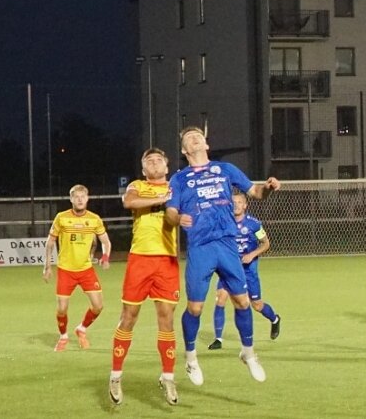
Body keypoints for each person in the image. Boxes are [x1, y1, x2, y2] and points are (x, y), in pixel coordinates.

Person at [165, 126, 280, 386]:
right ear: (184, 150)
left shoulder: (225, 169)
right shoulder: (180, 179)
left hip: (227, 245)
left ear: (206, 144)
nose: (194, 139)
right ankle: (191, 357)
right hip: (201, 247)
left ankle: (248, 353)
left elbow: (256, 192)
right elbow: (170, 212)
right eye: (188, 139)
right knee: (195, 308)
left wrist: (269, 187)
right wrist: (177, 217)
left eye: (198, 136)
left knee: (242, 302)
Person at [109, 148, 180, 406]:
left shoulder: (176, 186)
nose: (154, 163)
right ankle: (116, 375)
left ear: (167, 166)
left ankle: (168, 376)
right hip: (140, 259)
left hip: (167, 260)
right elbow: (129, 202)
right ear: (143, 169)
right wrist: (162, 198)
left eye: (158, 159)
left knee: (166, 318)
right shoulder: (137, 186)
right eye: (148, 160)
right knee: (129, 317)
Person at [208, 188, 280, 350]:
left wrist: (251, 255)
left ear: (245, 205)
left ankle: (275, 319)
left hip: (248, 270)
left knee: (257, 305)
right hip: (229, 268)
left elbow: (266, 244)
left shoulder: (253, 224)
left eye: (239, 202)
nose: (236, 205)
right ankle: (218, 339)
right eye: (233, 202)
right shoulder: (223, 222)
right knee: (220, 298)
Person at [43, 184, 112, 352]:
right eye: (76, 196)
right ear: (71, 199)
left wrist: (105, 257)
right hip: (66, 269)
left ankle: (81, 328)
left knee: (98, 306)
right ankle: (63, 336)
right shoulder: (62, 217)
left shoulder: (94, 219)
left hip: (86, 270)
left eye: (83, 196)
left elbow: (106, 242)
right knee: (62, 308)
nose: (80, 199)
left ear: (87, 199)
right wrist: (47, 266)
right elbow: (50, 242)